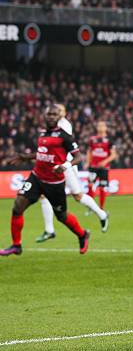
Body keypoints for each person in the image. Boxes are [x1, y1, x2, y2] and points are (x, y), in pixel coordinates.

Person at [1, 104, 90, 256]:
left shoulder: (64, 136)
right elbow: (42, 153)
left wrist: (65, 165)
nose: (50, 117)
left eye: (54, 114)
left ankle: (82, 235)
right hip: (36, 178)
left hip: (54, 183)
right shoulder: (43, 134)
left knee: (61, 216)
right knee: (17, 207)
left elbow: (78, 157)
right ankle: (16, 245)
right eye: (48, 114)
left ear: (58, 117)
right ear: (44, 116)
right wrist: (25, 157)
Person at [36, 104, 109, 243]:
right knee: (44, 195)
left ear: (63, 113)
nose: (56, 112)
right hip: (54, 165)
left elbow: (63, 145)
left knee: (78, 196)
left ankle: (102, 214)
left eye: (59, 110)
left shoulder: (64, 125)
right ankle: (49, 230)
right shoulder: (52, 126)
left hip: (66, 165)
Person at [86, 121, 117, 211]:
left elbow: (113, 155)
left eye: (102, 126)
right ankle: (91, 207)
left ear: (106, 128)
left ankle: (101, 208)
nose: (100, 127)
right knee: (90, 185)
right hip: (93, 167)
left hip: (104, 168)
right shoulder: (92, 139)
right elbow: (89, 151)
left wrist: (105, 161)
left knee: (102, 188)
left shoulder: (109, 140)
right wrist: (87, 162)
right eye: (99, 125)